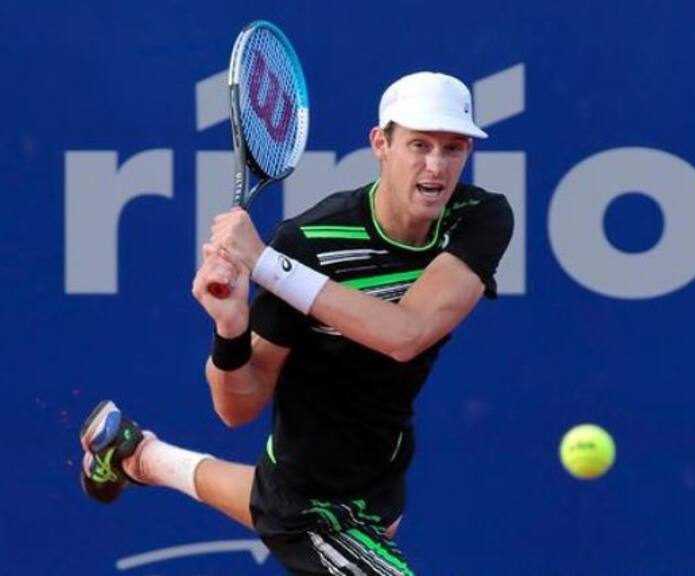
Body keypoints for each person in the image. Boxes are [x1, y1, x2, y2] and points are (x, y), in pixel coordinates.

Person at [79, 71, 514, 575]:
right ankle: (145, 459)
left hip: (381, 479)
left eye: (453, 147)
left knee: (274, 498)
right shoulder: (309, 244)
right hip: (307, 502)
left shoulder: (478, 216)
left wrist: (266, 266)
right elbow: (236, 407)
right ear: (381, 144)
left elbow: (406, 335)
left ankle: (139, 457)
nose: (436, 166)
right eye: (419, 144)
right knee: (280, 501)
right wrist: (230, 328)